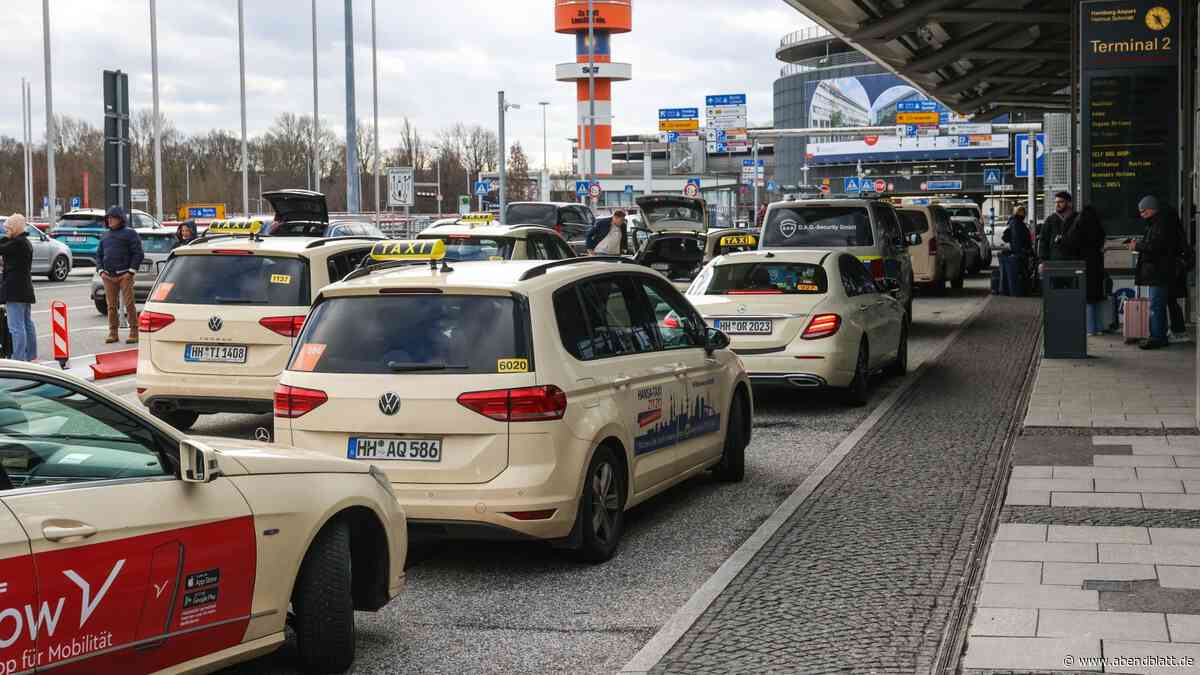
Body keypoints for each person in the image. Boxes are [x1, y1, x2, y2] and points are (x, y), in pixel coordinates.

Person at [1127, 195, 1180, 350]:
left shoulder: (1160, 224)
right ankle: (1158, 335)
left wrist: (1137, 246)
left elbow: (1156, 246)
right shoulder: (1159, 222)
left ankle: (1157, 337)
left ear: (1151, 209)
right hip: (1159, 270)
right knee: (1157, 305)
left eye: (1143, 212)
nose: (1142, 215)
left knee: (1156, 305)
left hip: (1158, 271)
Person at [96, 205, 144, 344]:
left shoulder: (130, 233)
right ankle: (113, 333)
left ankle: (134, 332)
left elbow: (138, 253)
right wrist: (101, 271)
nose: (109, 220)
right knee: (111, 306)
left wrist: (131, 271)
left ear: (120, 219)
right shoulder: (105, 235)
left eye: (112, 218)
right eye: (108, 218)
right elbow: (99, 254)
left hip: (125, 275)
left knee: (129, 304)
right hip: (108, 276)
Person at [1061, 205, 1107, 335]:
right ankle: (1098, 327)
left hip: (1083, 265)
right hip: (1097, 265)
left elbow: (1070, 244)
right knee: (1096, 298)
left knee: (1086, 298)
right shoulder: (1098, 228)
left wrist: (1060, 241)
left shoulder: (1079, 226)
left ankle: (1089, 328)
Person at [0, 215, 37, 362]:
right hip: (24, 289)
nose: (6, 231)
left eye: (8, 228)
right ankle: (31, 356)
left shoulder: (18, 244)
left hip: (14, 290)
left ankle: (19, 359)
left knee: (16, 327)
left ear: (15, 228)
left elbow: (1, 247)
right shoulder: (23, 242)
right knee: (27, 323)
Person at [1168, 211, 1194, 342]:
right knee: (1171, 302)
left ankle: (1178, 331)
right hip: (1176, 272)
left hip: (1173, 272)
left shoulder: (1171, 233)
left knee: (1171, 301)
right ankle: (1178, 330)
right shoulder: (1178, 231)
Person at [1038, 191, 1078, 263]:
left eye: (1060, 202)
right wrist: (1042, 261)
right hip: (1055, 261)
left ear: (1069, 203)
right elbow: (1043, 242)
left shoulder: (1077, 219)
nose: (1057, 205)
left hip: (1074, 261)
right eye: (1056, 202)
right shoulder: (1050, 220)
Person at [1001, 206, 1031, 296]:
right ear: (1019, 213)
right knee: (1019, 274)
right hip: (1019, 253)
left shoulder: (1014, 222)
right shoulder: (1017, 223)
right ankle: (1019, 290)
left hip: (1017, 252)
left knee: (1014, 274)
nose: (1024, 214)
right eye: (1023, 212)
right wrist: (1022, 251)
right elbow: (1017, 239)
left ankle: (1013, 290)